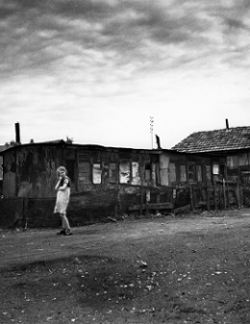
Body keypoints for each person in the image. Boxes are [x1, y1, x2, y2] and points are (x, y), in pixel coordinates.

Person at [54, 166, 72, 236]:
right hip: (61, 197)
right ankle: (64, 229)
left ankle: (68, 229)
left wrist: (59, 188)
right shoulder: (61, 179)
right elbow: (56, 188)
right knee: (62, 214)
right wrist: (59, 180)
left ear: (65, 172)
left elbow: (64, 187)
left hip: (64, 198)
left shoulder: (66, 179)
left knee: (62, 214)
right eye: (59, 173)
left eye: (62, 172)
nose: (61, 174)